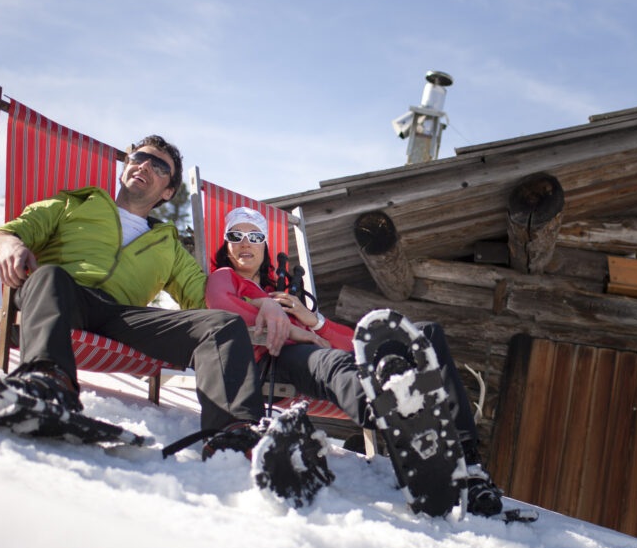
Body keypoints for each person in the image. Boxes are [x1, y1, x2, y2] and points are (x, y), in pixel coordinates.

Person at [0, 136, 291, 446]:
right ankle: (47, 386)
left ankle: (236, 434)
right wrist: (9, 243)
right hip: (58, 297)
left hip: (119, 317)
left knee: (222, 325)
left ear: (168, 191)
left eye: (158, 166)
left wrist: (264, 303)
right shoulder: (71, 204)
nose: (144, 165)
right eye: (139, 157)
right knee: (51, 275)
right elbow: (4, 234)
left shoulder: (167, 245)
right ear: (125, 167)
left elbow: (206, 298)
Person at [205, 206, 507, 516]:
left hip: (313, 351)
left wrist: (314, 320)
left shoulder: (284, 294)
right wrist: (296, 330)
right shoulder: (224, 277)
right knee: (332, 363)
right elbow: (223, 308)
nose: (244, 242)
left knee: (426, 333)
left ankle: (469, 465)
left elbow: (356, 344)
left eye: (254, 236)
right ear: (226, 245)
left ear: (265, 245)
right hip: (272, 358)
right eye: (235, 235)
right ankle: (387, 405)